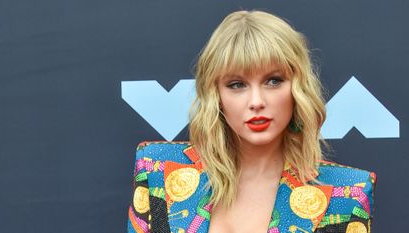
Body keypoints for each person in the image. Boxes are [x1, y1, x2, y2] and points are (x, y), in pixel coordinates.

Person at [127, 10, 376, 233]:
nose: (256, 101)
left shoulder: (347, 194)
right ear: (217, 95)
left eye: (273, 80)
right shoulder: (157, 168)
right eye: (237, 85)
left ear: (298, 88)